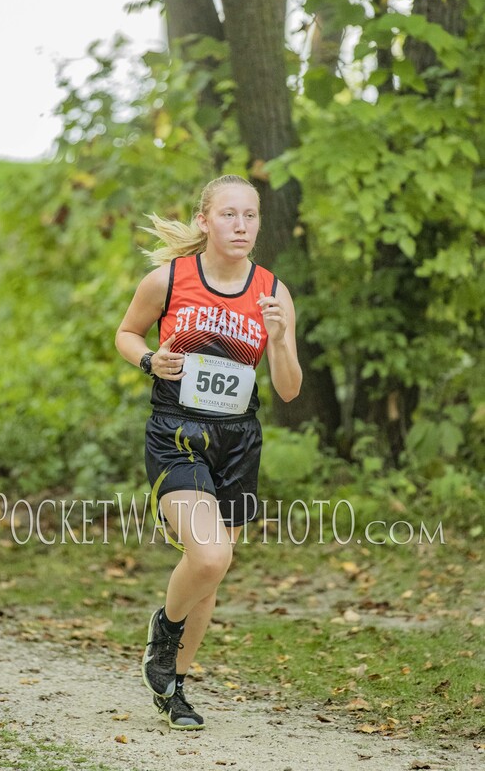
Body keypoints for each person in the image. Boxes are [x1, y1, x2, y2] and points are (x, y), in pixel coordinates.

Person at [115, 174, 302, 730]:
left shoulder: (272, 291)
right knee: (212, 556)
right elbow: (126, 333)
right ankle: (163, 634)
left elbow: (289, 389)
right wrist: (149, 360)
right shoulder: (169, 280)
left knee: (210, 574)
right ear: (205, 220)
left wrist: (282, 337)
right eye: (228, 215)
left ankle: (173, 686)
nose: (240, 225)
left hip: (239, 440)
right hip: (177, 432)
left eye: (250, 215)